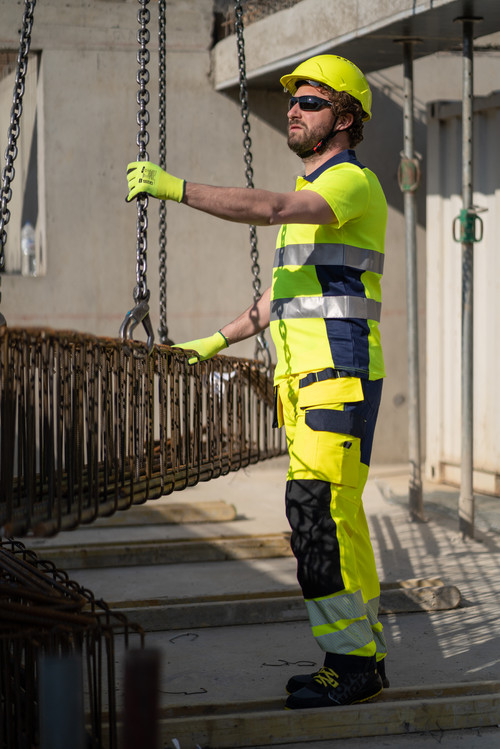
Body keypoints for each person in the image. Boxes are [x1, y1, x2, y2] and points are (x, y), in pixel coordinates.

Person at [126, 54, 388, 710]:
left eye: (311, 102)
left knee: (314, 516)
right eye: (293, 101)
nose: (294, 110)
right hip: (310, 384)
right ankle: (364, 654)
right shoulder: (315, 201)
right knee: (339, 518)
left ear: (345, 119)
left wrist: (176, 188)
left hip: (337, 377)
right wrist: (214, 340)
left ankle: (350, 663)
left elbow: (268, 207)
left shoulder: (349, 182)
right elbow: (281, 300)